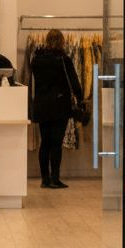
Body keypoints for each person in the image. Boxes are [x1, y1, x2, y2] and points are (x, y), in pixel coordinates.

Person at [28, 29, 82, 189]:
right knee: (56, 143)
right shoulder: (64, 60)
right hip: (59, 105)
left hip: (42, 105)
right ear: (61, 41)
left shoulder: (36, 60)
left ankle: (45, 179)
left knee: (45, 142)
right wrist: (80, 99)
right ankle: (55, 178)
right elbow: (74, 82)